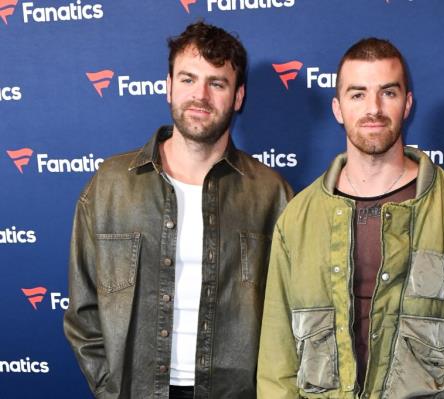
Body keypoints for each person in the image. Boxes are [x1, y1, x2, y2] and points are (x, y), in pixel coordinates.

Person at [257, 38, 444, 398]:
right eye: (357, 94)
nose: (373, 109)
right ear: (338, 108)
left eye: (387, 93)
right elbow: (276, 363)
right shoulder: (297, 219)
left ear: (407, 104)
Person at [64, 21, 292, 399]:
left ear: (237, 97)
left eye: (217, 83)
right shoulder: (110, 185)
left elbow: (288, 316)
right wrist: (110, 389)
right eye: (188, 79)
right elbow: (83, 311)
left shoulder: (272, 194)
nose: (200, 95)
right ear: (168, 86)